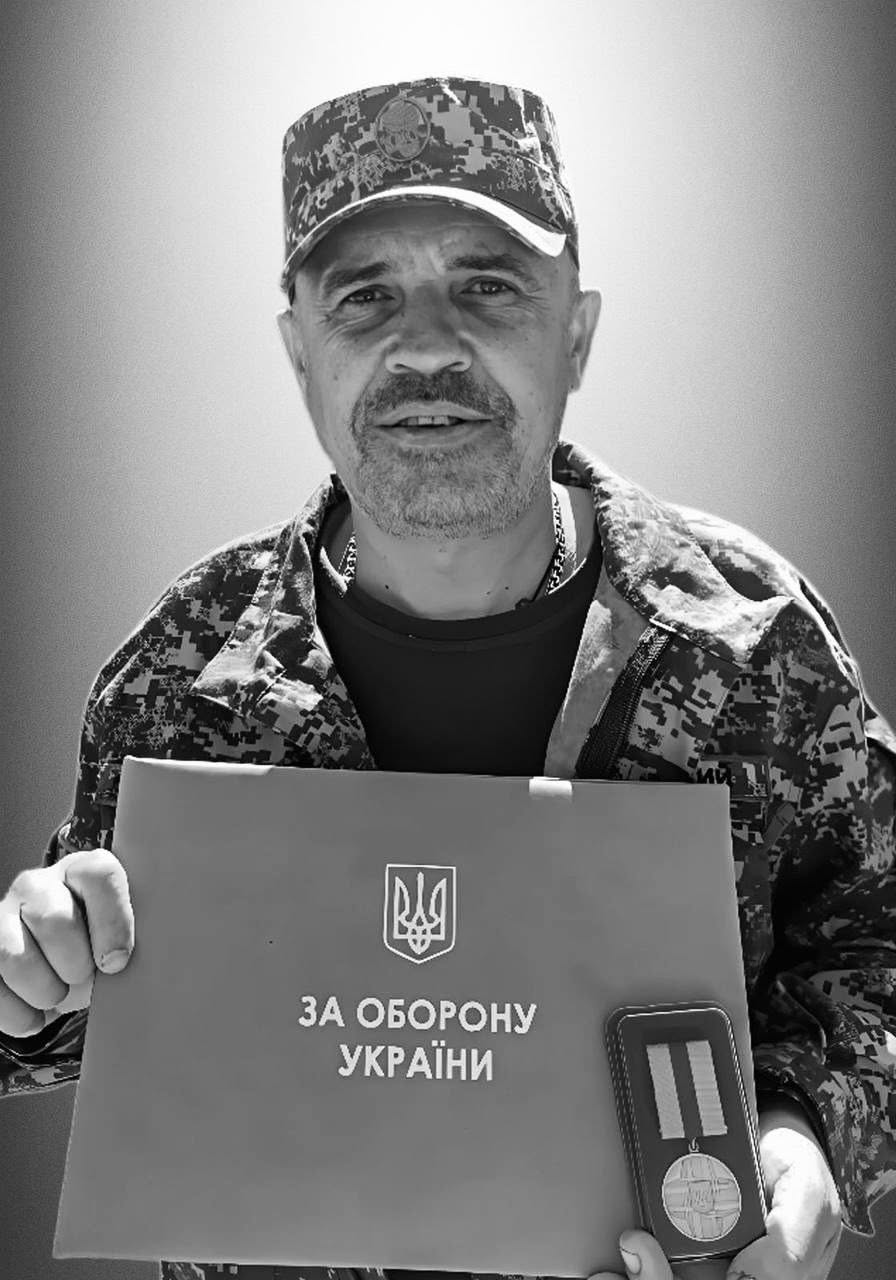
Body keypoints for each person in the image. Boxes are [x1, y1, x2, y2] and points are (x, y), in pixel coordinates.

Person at [0, 75, 893, 1280]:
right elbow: (85, 1005)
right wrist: (30, 977)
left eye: (487, 285)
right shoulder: (184, 671)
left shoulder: (752, 641)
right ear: (299, 351)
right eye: (364, 296)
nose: (424, 345)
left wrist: (799, 1131)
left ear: (574, 332)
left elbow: (870, 950)